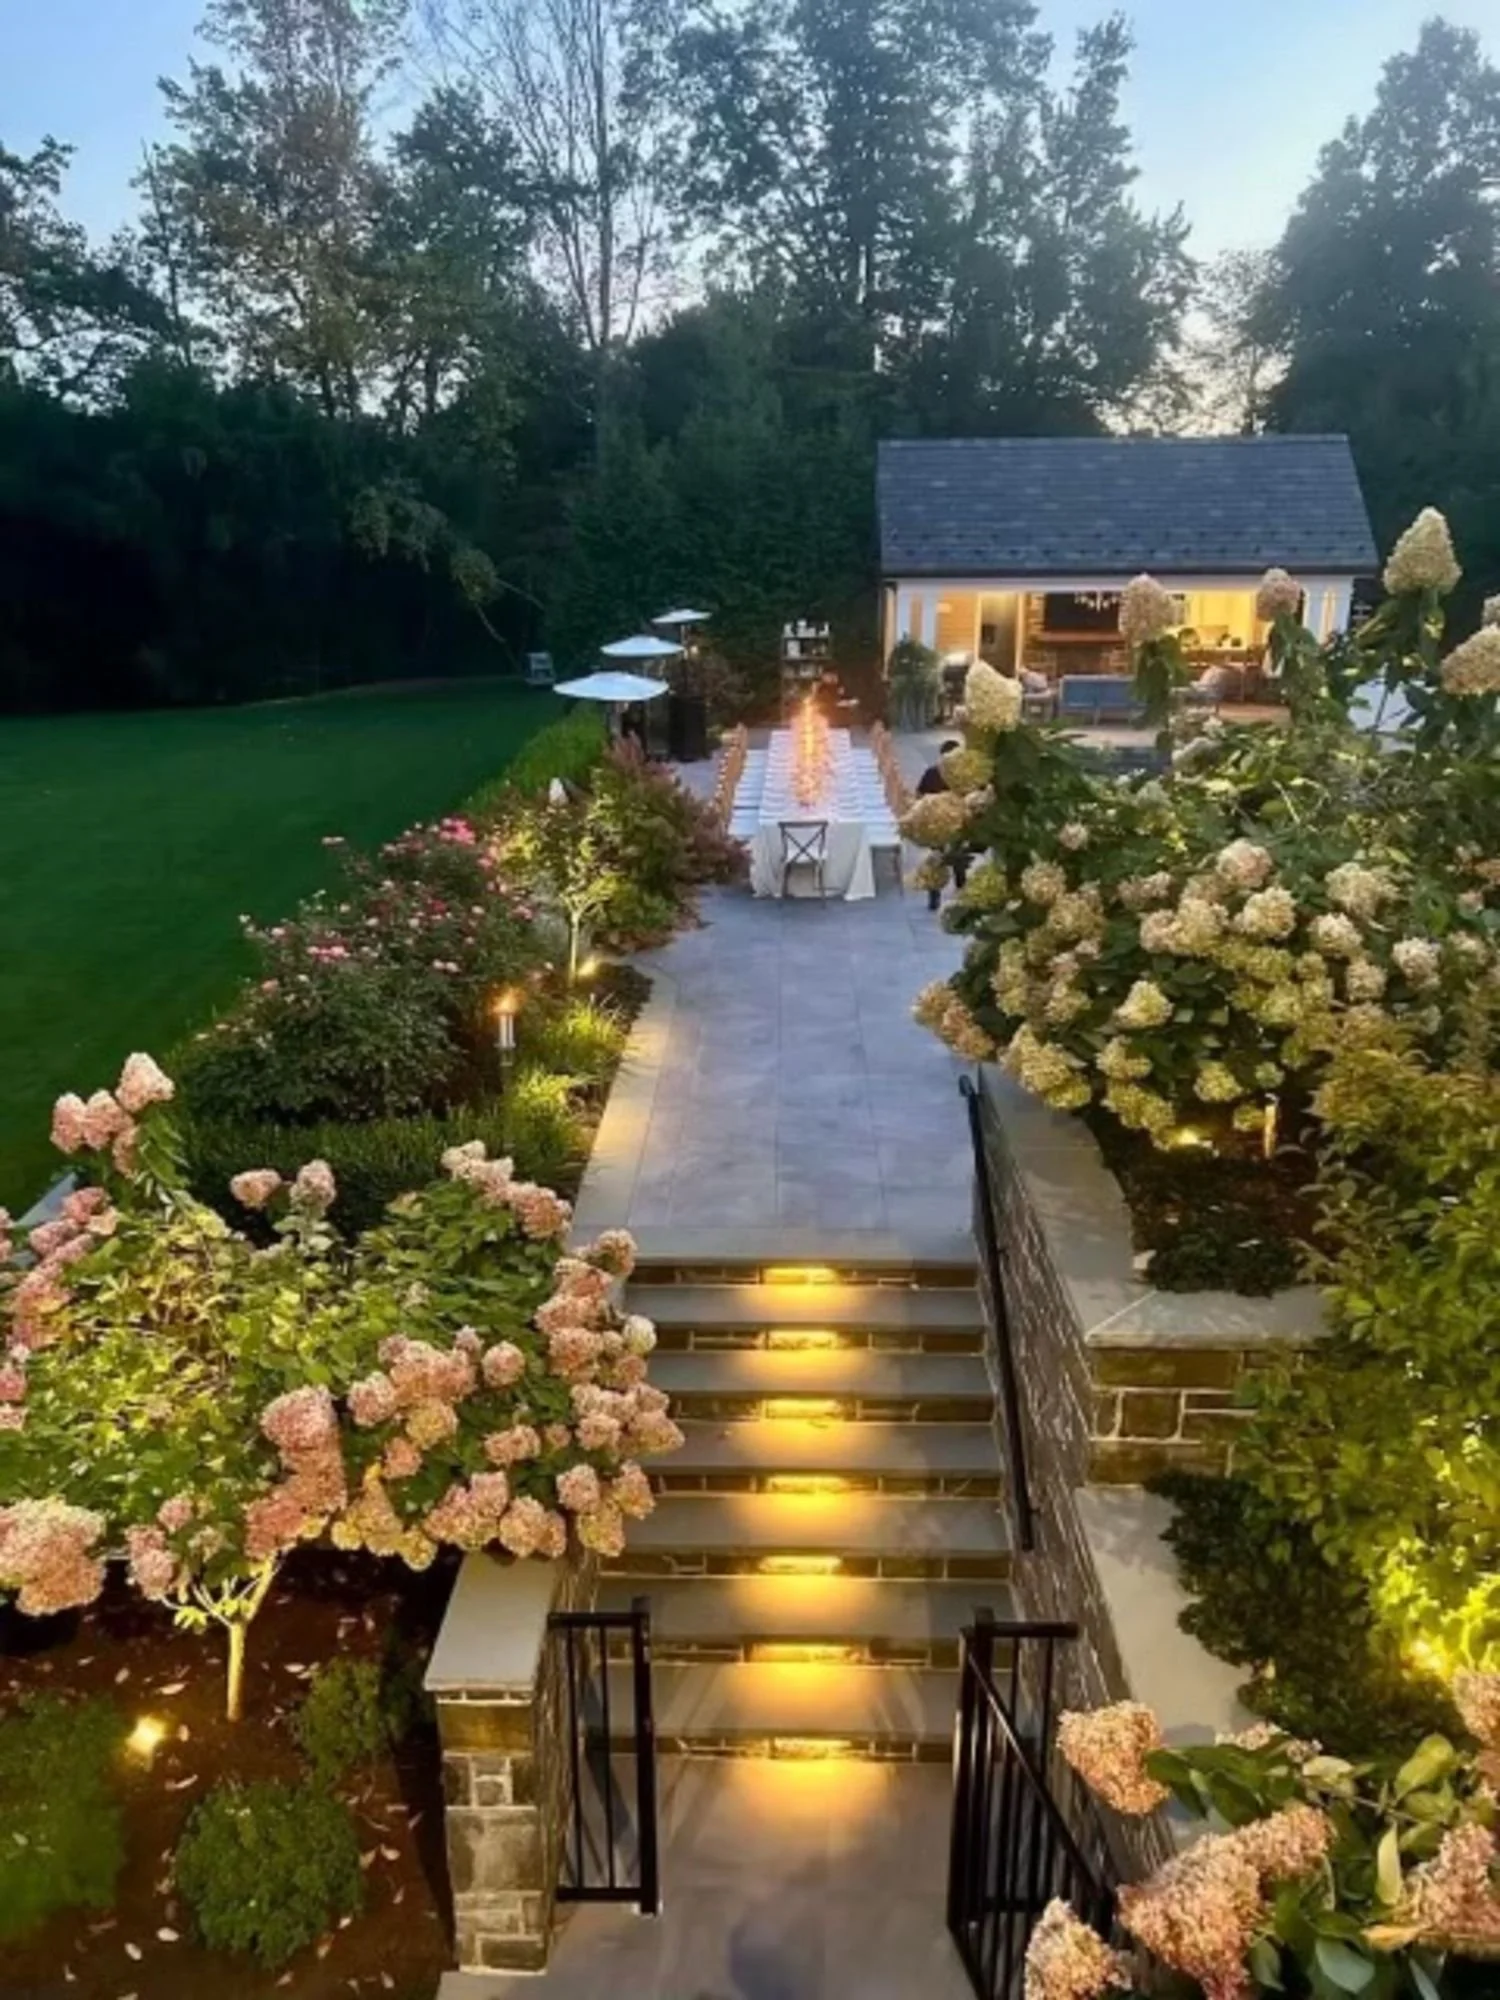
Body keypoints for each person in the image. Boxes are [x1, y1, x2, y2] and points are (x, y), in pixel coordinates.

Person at [916, 740, 970, 912]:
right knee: (959, 859)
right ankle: (962, 892)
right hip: (957, 823)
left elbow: (919, 794)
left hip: (936, 824)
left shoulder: (932, 772)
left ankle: (934, 895)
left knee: (937, 859)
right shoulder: (964, 775)